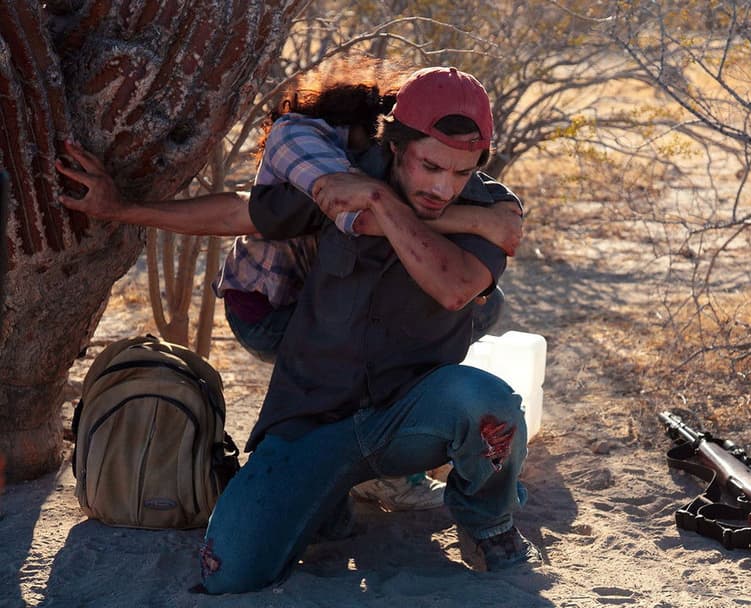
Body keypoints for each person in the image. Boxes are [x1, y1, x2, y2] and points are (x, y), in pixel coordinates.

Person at [60, 65, 541, 593]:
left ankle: (488, 523)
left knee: (488, 404)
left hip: (409, 419)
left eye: (461, 172)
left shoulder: (493, 208)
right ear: (397, 144)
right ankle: (329, 495)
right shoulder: (342, 175)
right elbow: (238, 214)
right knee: (231, 570)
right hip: (311, 416)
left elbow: (455, 288)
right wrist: (123, 208)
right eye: (431, 166)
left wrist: (380, 201)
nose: (444, 188)